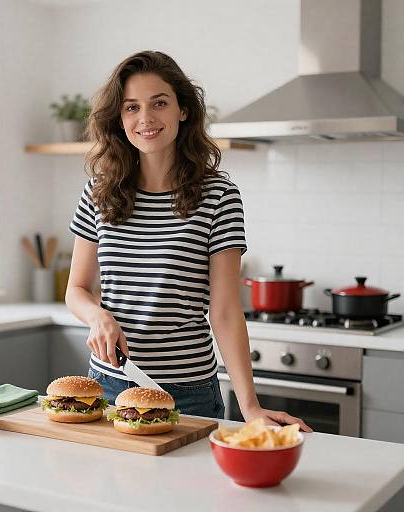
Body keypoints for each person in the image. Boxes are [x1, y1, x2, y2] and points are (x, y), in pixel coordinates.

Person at [66, 50, 312, 431]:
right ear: (119, 118)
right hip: (108, 385)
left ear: (183, 110)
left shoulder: (218, 195)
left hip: (189, 392)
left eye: (158, 103)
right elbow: (77, 290)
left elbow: (226, 311)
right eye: (131, 107)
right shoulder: (98, 192)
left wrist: (251, 408)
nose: (145, 118)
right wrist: (97, 316)